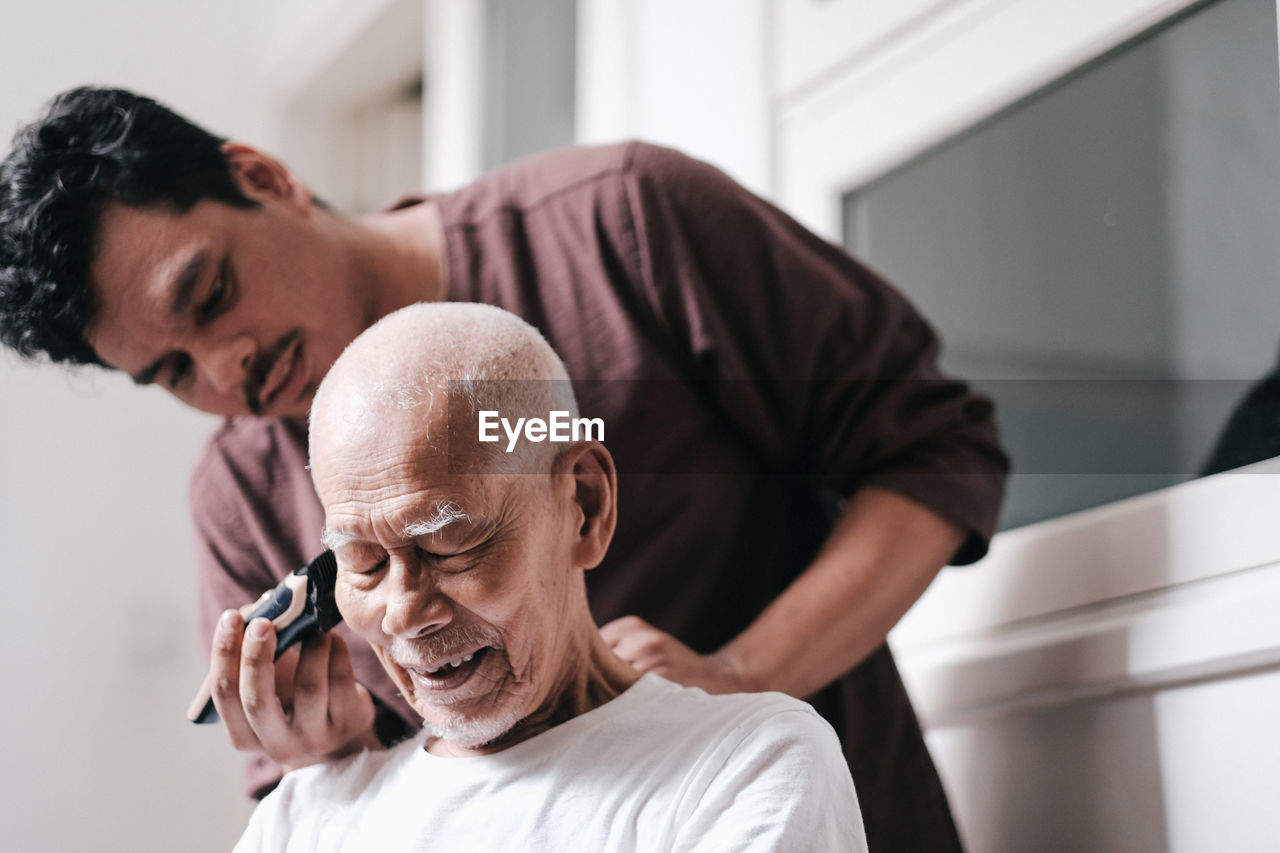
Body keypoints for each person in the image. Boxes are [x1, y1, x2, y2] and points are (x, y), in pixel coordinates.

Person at [0, 86, 1007, 851]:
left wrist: (735, 678)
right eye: (170, 371)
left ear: (264, 177)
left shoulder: (625, 225)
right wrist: (333, 768)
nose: (228, 372)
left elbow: (928, 447)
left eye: (212, 295)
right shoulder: (238, 497)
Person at [230, 300, 868, 851]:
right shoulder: (305, 819)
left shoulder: (747, 766)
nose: (402, 611)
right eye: (363, 563)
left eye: (450, 545)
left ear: (583, 508)